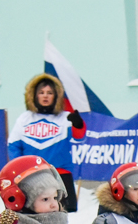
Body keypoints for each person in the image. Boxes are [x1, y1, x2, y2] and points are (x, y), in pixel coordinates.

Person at [8, 73, 86, 212]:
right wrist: (20, 170)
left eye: (49, 93)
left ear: (56, 96)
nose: (45, 96)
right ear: (34, 95)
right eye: (41, 92)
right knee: (31, 214)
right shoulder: (25, 118)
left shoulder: (65, 117)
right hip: (31, 176)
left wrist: (78, 124)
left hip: (59, 175)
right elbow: (14, 145)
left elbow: (79, 138)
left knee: (59, 216)